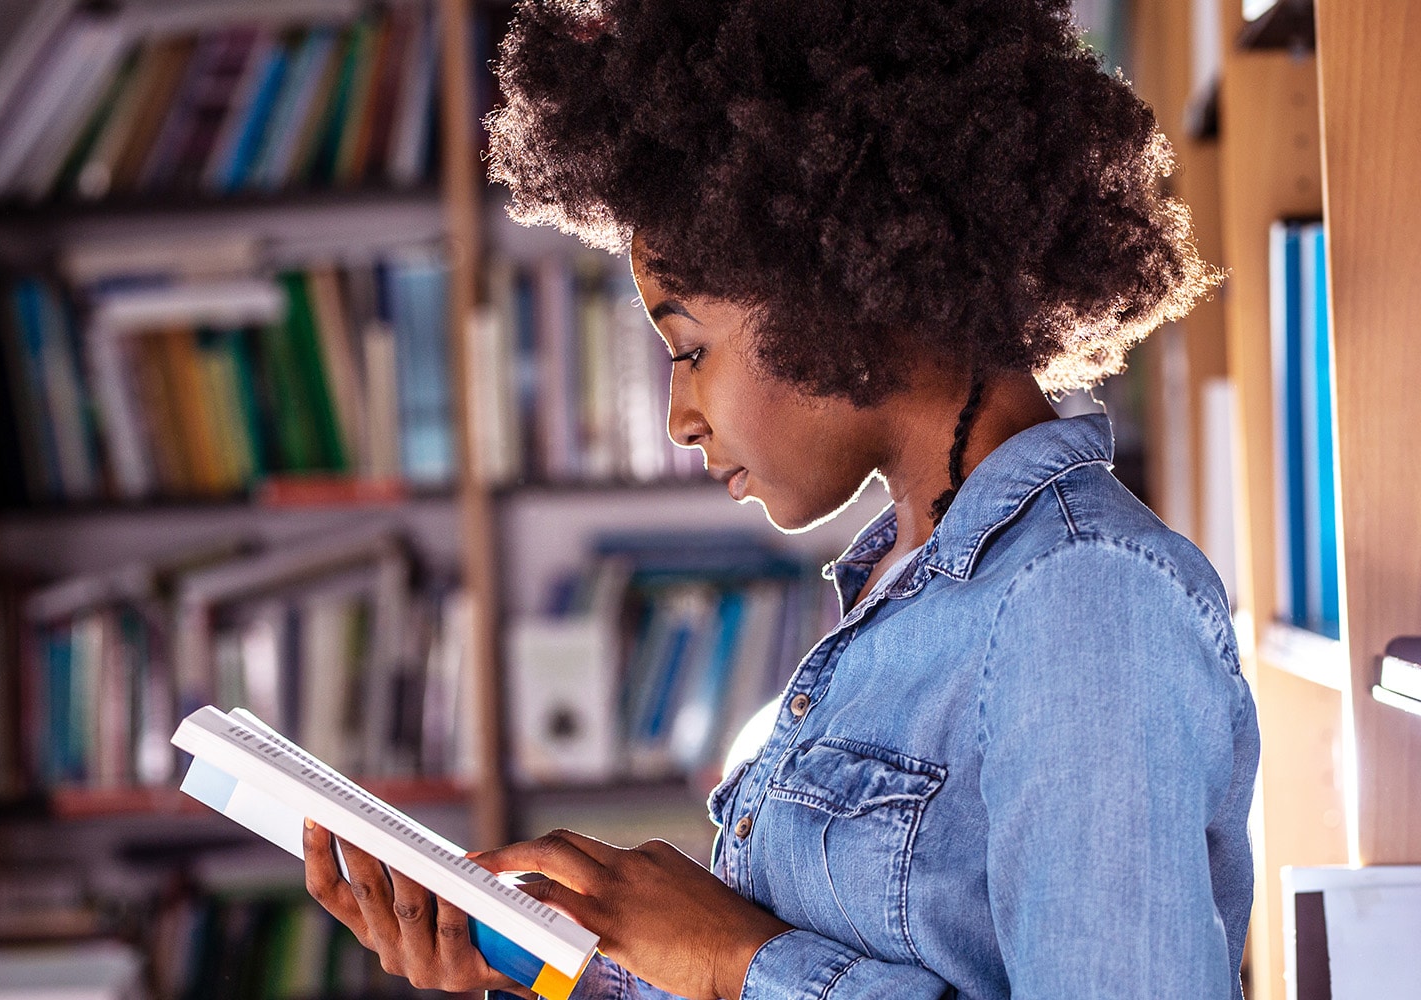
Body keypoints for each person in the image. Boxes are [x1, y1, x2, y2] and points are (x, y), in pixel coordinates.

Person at [298, 1, 1257, 998]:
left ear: (841, 284)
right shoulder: (905, 589)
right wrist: (572, 967)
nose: (680, 417)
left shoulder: (1083, 601)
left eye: (690, 351)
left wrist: (732, 958)